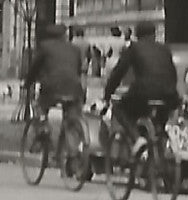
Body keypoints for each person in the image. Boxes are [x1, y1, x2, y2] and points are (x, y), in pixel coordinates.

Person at [100, 21, 180, 137]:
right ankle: (160, 137)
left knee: (120, 108)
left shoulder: (134, 48)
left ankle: (137, 139)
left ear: (137, 35)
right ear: (154, 34)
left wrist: (107, 95)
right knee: (161, 119)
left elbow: (118, 73)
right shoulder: (164, 49)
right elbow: (173, 74)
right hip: (169, 94)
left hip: (144, 93)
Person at [23, 21, 86, 151]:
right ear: (64, 35)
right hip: (74, 88)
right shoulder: (74, 49)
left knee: (39, 106)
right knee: (71, 116)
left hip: (52, 88)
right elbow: (78, 70)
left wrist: (28, 82)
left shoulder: (45, 47)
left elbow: (34, 68)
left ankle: (43, 128)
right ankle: (72, 148)